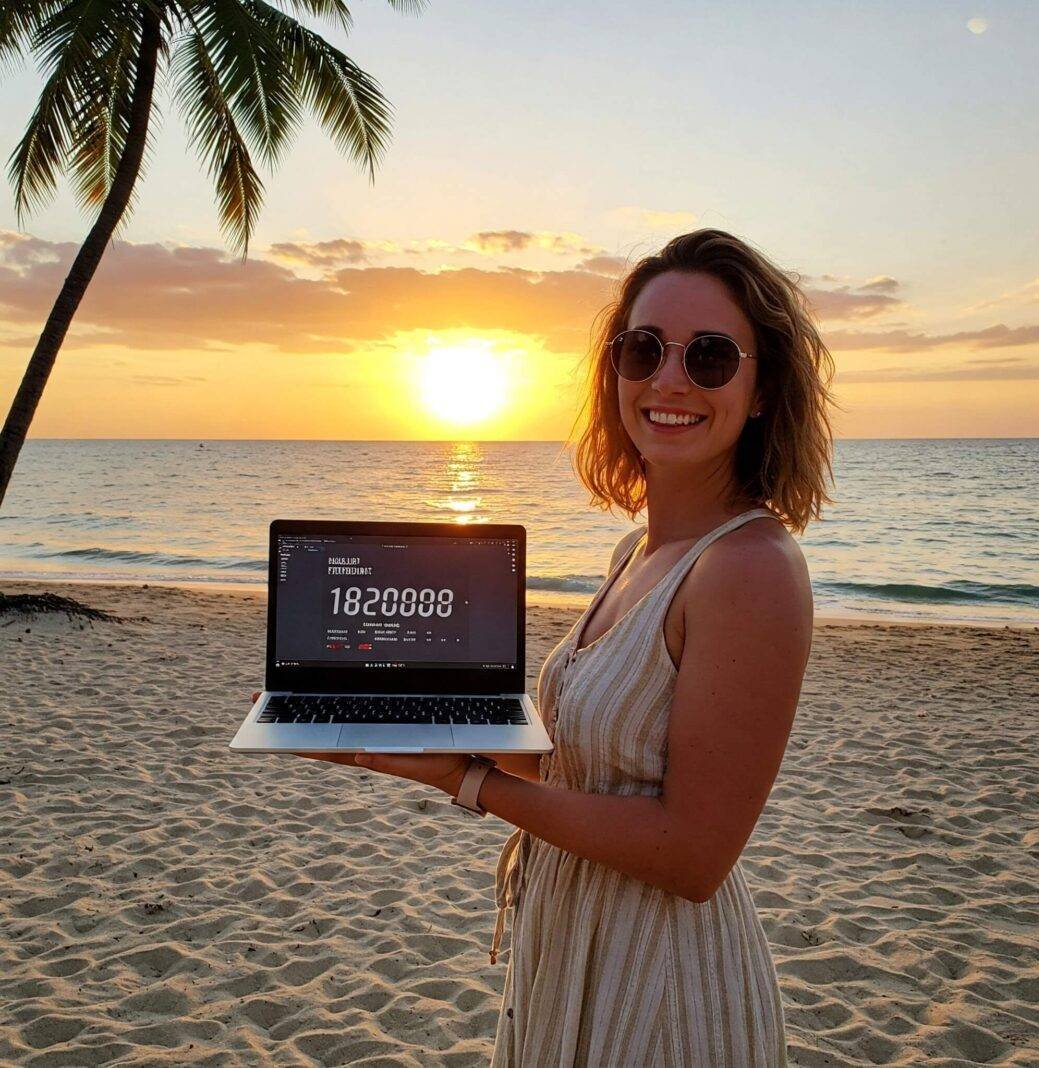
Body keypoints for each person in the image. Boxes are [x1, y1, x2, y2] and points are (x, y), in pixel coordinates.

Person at [293, 228, 835, 1066]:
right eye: (643, 349)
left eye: (710, 357)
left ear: (762, 391)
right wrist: (437, 732)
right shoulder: (637, 552)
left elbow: (694, 854)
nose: (668, 379)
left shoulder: (750, 569)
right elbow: (586, 767)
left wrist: (469, 783)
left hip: (662, 983)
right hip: (569, 940)